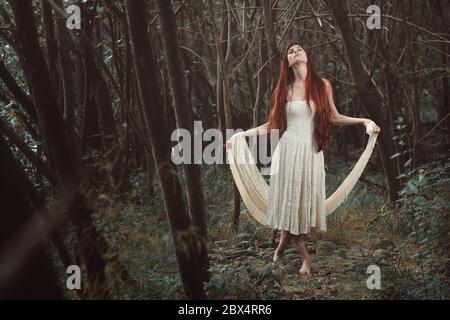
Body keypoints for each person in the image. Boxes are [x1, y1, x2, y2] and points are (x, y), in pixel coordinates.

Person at [226, 42, 380, 276]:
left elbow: (334, 116)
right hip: (287, 153)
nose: (295, 51)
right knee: (290, 201)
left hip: (310, 154)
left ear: (307, 56)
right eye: (290, 51)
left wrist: (364, 121)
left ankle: (279, 247)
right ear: (287, 62)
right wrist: (241, 135)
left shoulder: (322, 85)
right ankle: (304, 257)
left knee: (303, 203)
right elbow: (273, 124)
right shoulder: (283, 89)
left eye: (299, 48)